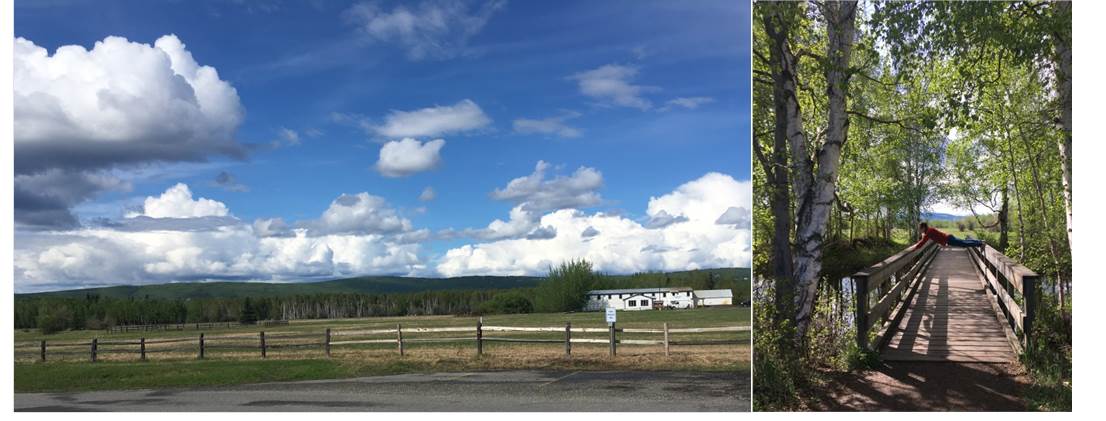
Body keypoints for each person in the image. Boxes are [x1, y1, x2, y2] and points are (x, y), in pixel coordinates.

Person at [912, 222, 984, 251]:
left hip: (948, 239)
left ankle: (979, 243)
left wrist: (914, 248)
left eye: (920, 229)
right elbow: (926, 238)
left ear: (923, 228)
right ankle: (979, 242)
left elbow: (922, 242)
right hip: (948, 238)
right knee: (963, 242)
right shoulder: (929, 231)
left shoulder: (929, 232)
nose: (919, 230)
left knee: (964, 243)